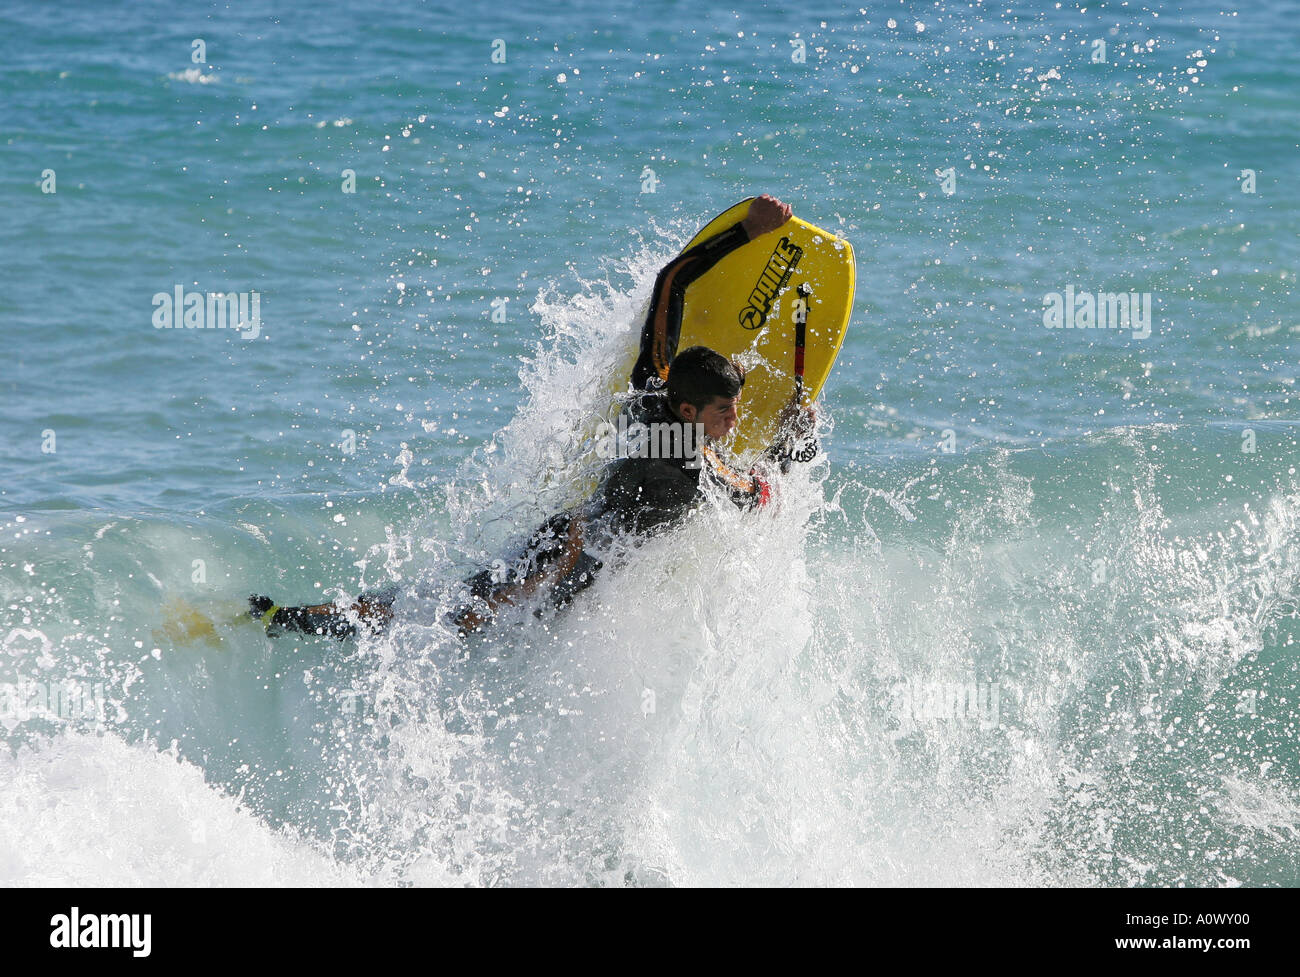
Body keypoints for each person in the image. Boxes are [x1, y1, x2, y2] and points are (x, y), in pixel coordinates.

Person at [250, 194, 816, 638]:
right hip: (571, 561)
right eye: (725, 411)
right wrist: (796, 444)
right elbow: (759, 496)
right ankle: (293, 622)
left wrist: (746, 233)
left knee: (442, 613)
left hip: (575, 547)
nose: (736, 419)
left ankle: (290, 619)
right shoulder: (685, 456)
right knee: (442, 623)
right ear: (689, 409)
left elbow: (672, 282)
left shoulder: (654, 388)